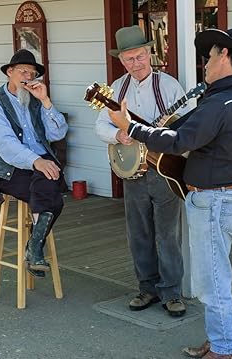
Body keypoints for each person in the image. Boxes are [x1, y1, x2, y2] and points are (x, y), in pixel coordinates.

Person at [107, 27, 232, 359]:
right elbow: (179, 128)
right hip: (220, 197)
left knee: (213, 283)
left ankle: (224, 351)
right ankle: (219, 340)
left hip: (214, 199)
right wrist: (141, 126)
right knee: (214, 278)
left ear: (224, 55)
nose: (204, 63)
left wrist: (130, 127)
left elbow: (179, 141)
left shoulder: (223, 101)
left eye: (209, 56)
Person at [95, 25, 188, 317]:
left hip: (163, 171)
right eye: (128, 59)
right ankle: (147, 288)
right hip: (132, 173)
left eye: (139, 57)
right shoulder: (116, 88)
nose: (135, 64)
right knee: (139, 234)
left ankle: (172, 293)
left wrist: (162, 130)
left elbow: (186, 125)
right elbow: (101, 125)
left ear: (150, 53)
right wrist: (119, 136)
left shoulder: (169, 86)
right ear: (121, 60)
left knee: (167, 234)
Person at [0, 49, 68, 278]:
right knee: (53, 197)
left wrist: (46, 101)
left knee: (48, 181)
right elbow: (5, 144)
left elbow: (57, 133)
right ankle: (34, 249)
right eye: (23, 71)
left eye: (31, 73)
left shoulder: (35, 100)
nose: (27, 77)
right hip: (10, 170)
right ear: (9, 72)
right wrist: (36, 161)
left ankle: (34, 249)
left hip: (41, 165)